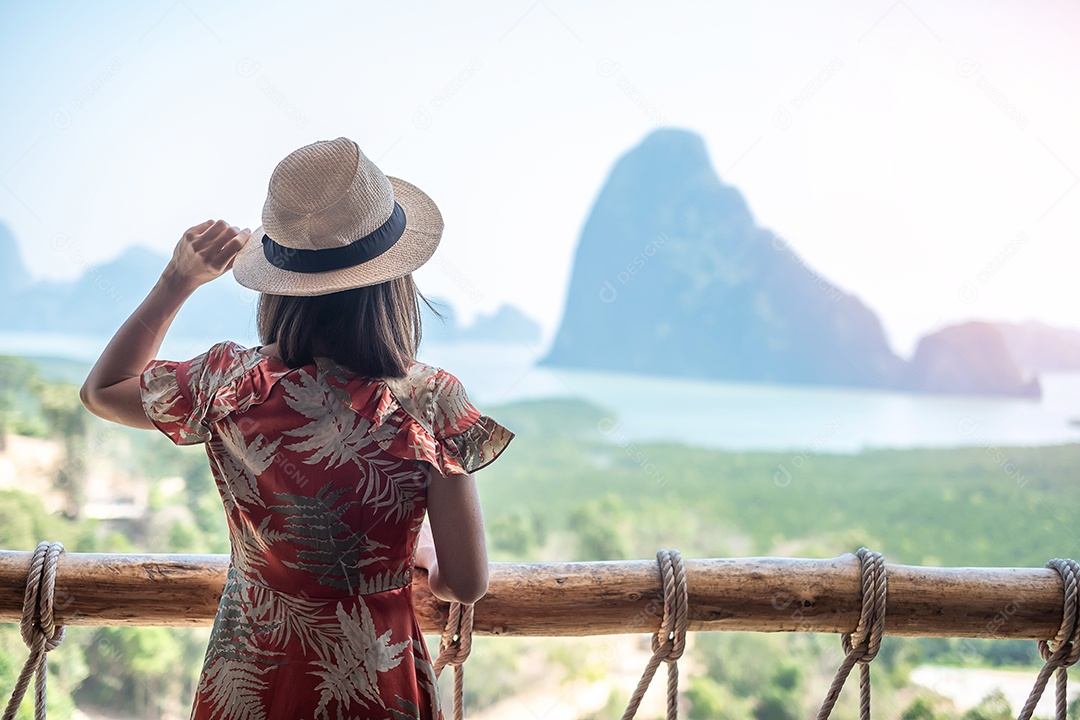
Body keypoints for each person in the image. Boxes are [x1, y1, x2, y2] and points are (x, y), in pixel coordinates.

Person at [80, 137, 514, 719]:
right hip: (372, 679)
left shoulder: (226, 382)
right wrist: (422, 551)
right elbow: (464, 583)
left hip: (250, 670)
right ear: (394, 282)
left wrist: (176, 280)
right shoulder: (431, 401)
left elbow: (102, 391)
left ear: (278, 284)